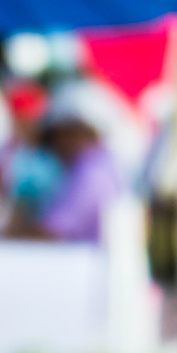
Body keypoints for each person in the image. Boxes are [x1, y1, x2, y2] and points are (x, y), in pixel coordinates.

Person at [28, 84, 126, 245]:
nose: (54, 146)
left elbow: (50, 233)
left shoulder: (92, 171)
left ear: (76, 131)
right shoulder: (99, 163)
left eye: (56, 136)